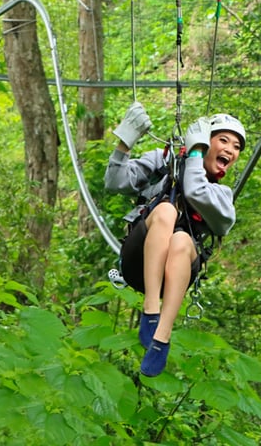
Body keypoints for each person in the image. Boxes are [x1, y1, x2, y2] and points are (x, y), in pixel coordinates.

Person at [105, 102, 245, 377]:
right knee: (167, 210)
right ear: (207, 141)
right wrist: (124, 142)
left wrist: (195, 154)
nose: (230, 149)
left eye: (237, 147)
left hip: (176, 275)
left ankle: (161, 337)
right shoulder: (163, 162)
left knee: (182, 241)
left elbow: (195, 192)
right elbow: (115, 183)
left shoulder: (223, 198)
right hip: (138, 260)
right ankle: (150, 311)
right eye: (224, 140)